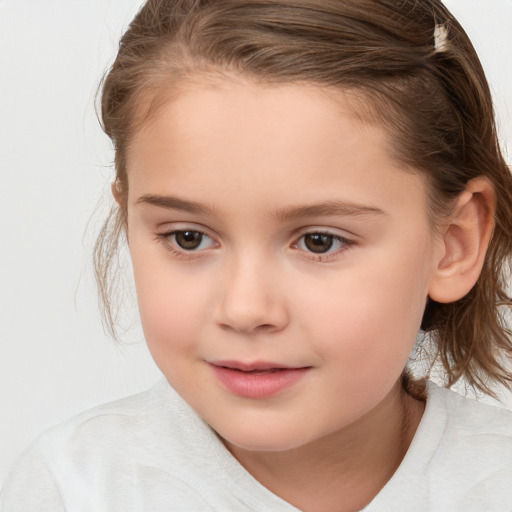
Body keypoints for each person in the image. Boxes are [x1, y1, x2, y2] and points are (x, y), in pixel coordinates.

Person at [2, 0, 512, 510]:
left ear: (453, 244)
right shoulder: (72, 489)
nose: (245, 310)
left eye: (320, 241)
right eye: (188, 238)